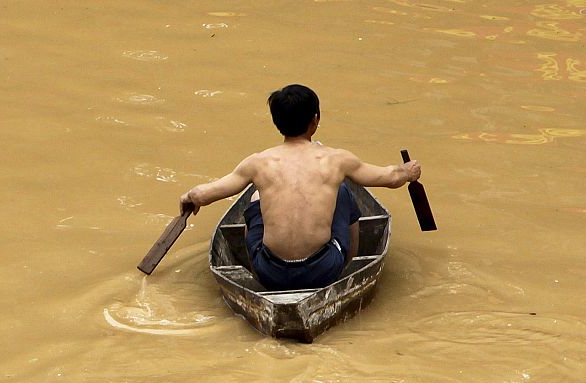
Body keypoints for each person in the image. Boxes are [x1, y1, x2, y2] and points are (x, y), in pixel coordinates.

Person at [177, 84, 421, 290]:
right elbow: (390, 178)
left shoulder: (258, 163)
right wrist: (408, 172)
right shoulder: (336, 160)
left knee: (253, 200)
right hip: (323, 270)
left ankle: (259, 276)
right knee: (343, 192)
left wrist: (190, 197)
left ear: (276, 122)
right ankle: (346, 269)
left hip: (270, 273)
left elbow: (204, 194)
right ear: (315, 120)